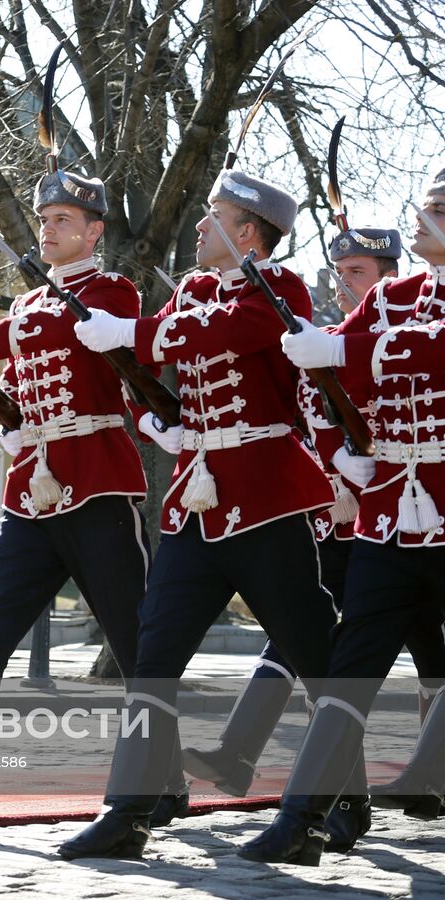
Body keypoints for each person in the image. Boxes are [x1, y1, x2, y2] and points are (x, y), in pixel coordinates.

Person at [0, 167, 187, 833]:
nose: (48, 229)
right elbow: (20, 385)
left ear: (93, 231)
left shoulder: (112, 292)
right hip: (32, 494)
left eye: (63, 221)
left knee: (134, 641)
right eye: (44, 220)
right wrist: (9, 424)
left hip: (98, 484)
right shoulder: (25, 306)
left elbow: (64, 337)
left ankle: (166, 781)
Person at [59, 169, 356, 860]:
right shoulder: (192, 290)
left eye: (213, 213)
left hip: (265, 499)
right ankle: (129, 811)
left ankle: (342, 805)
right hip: (197, 503)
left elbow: (211, 333)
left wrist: (131, 331)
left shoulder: (277, 290)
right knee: (153, 653)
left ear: (247, 231)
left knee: (314, 658)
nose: (198, 225)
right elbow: (152, 356)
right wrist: (154, 416)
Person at [186, 225, 445, 797]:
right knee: (300, 632)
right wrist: (336, 469)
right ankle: (249, 758)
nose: (345, 282)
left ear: (387, 276)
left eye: (359, 273)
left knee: (428, 643)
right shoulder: (334, 335)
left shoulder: (395, 324)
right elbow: (311, 415)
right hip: (343, 515)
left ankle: (427, 776)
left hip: (408, 509)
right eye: (340, 271)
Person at [240, 171, 445, 864]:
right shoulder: (392, 297)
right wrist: (343, 456)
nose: (422, 219)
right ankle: (301, 822)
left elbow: (412, 353)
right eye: (426, 206)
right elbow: (329, 381)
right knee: (349, 670)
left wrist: (348, 353)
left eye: (439, 211)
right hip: (389, 519)